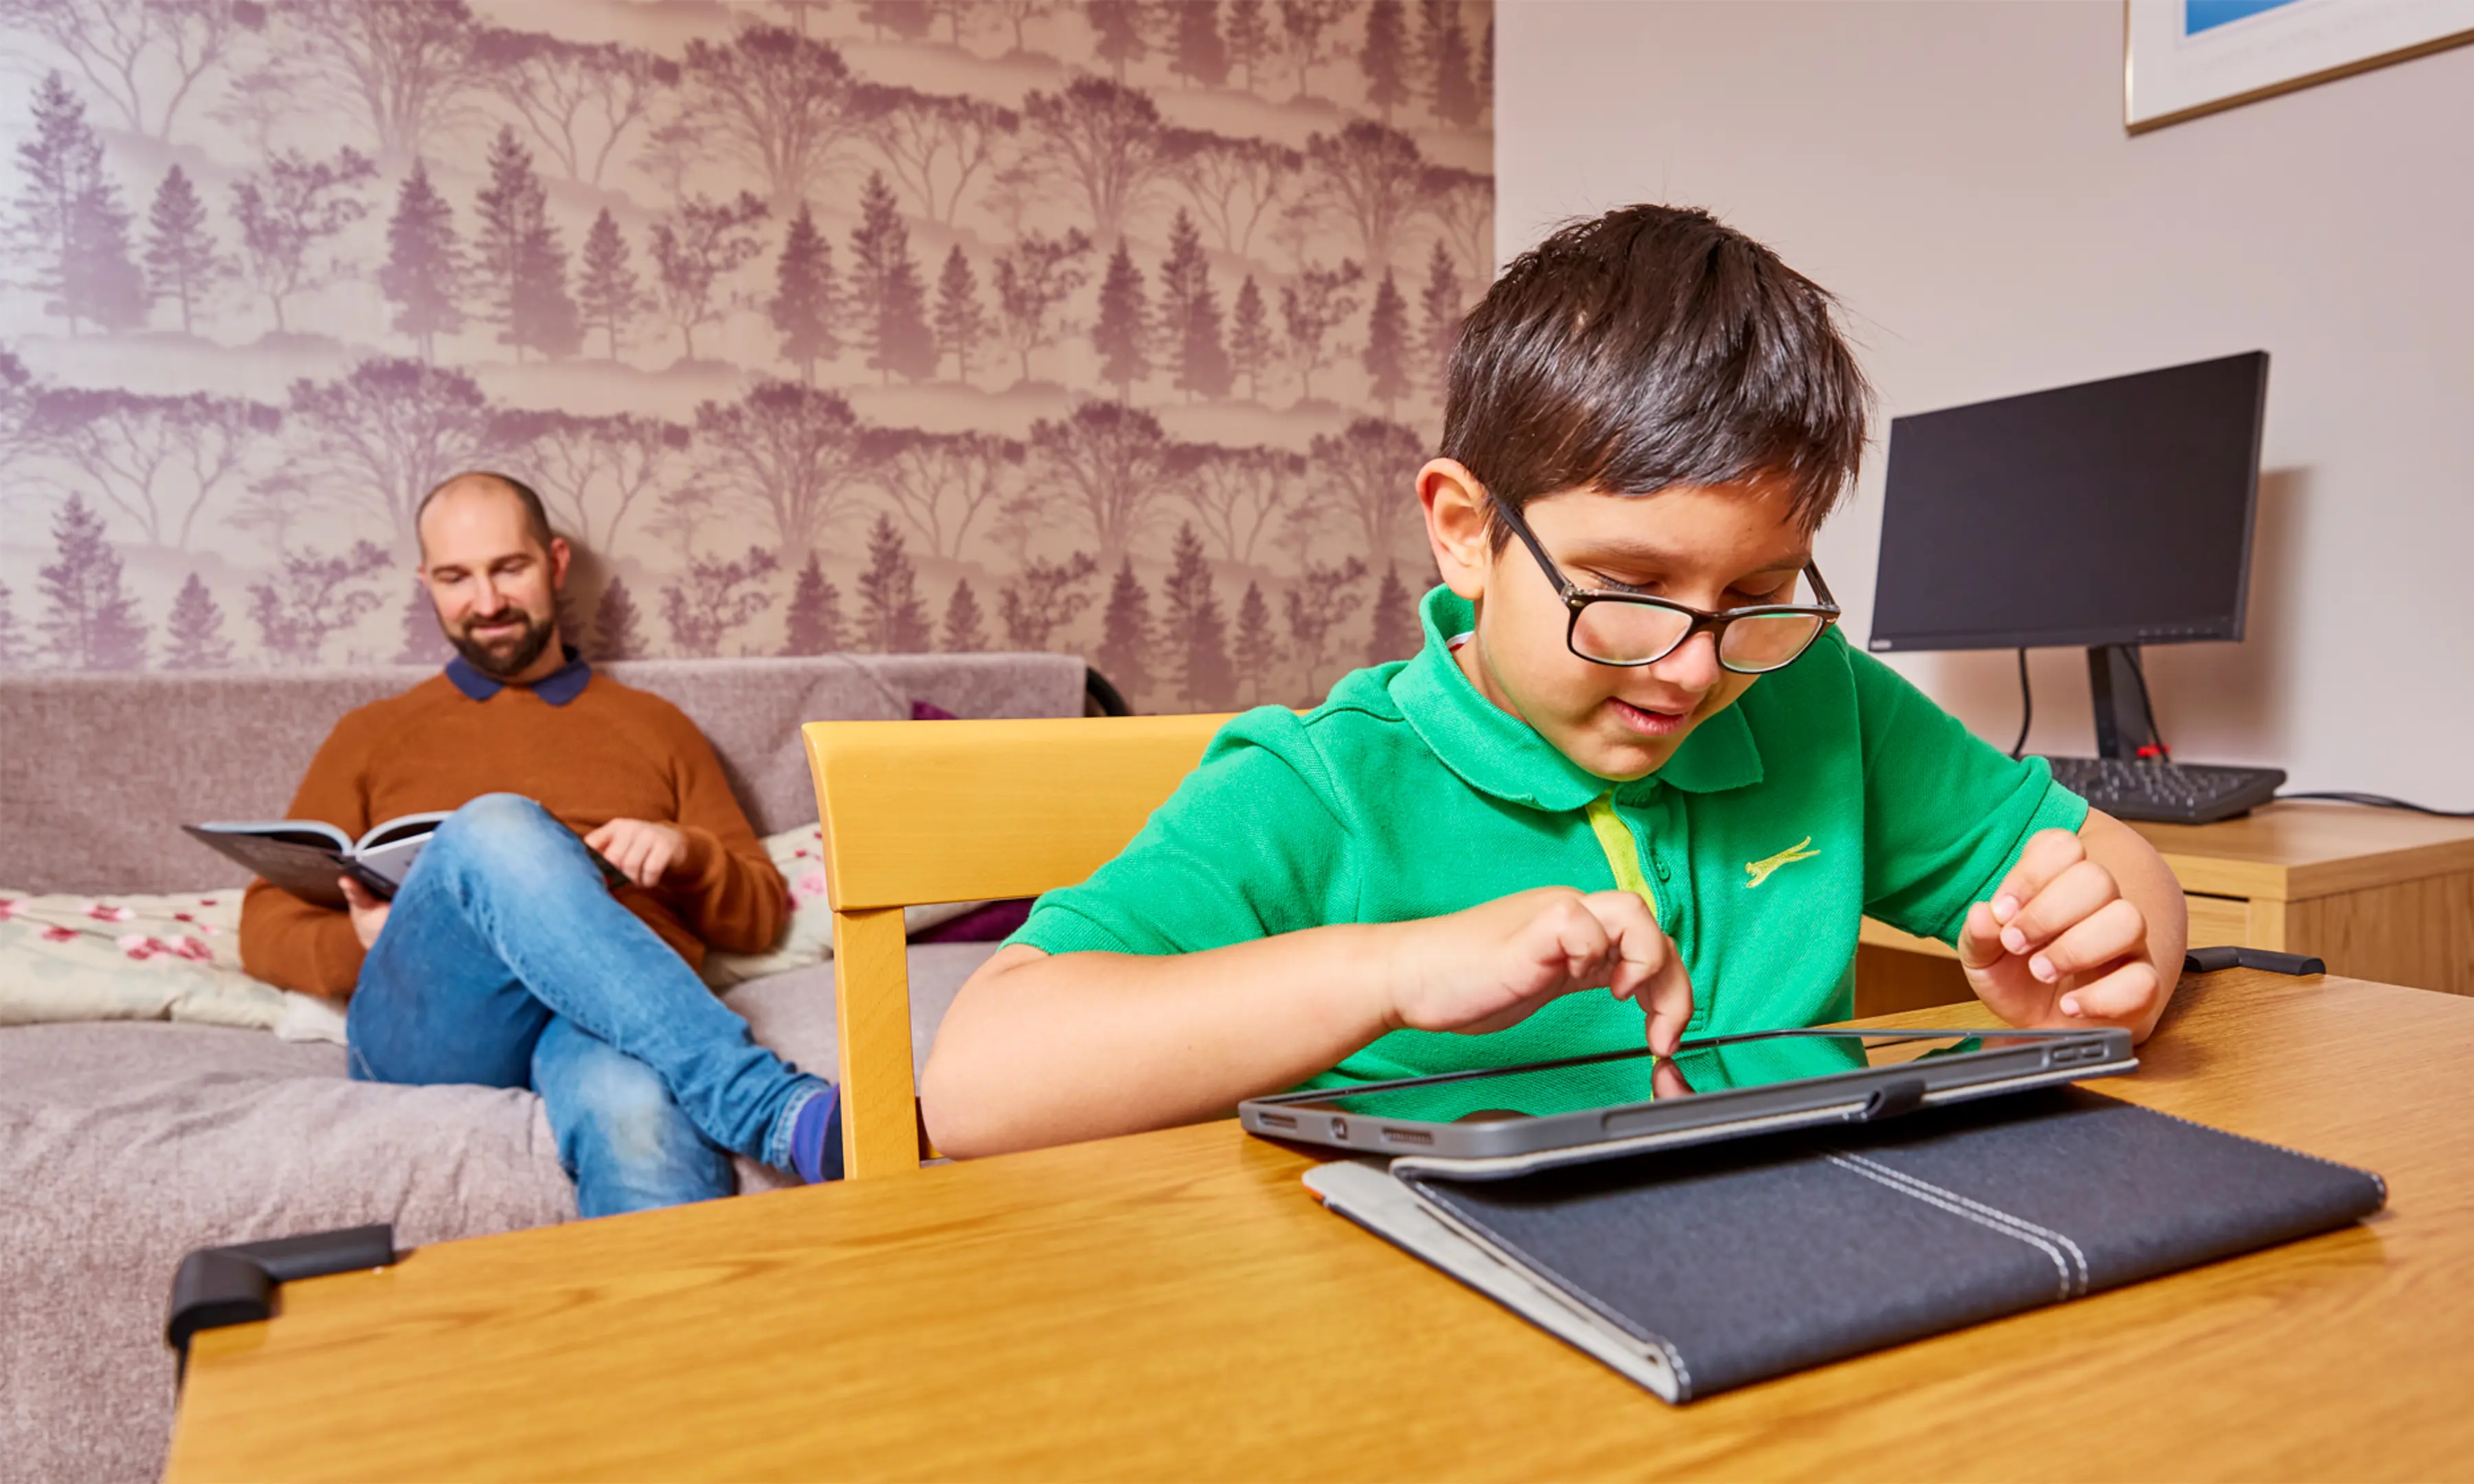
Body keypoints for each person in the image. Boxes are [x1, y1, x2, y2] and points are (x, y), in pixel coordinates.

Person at [921, 205, 2189, 1159]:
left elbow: (2122, 872)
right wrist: (1393, 969)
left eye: (1755, 596)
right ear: (1467, 529)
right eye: (1628, 594)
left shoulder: (1816, 700)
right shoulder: (1324, 785)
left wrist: (2096, 961)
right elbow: (981, 1084)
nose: (1694, 669)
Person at [239, 472, 847, 1214]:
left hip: (611, 1016)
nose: (486, 602)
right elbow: (262, 927)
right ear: (425, 582)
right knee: (497, 826)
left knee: (639, 1117)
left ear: (555, 564)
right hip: (439, 1024)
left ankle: (677, 1328)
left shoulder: (655, 726)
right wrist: (372, 939)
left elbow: (759, 914)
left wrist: (684, 853)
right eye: (456, 578)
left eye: (509, 568)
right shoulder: (370, 735)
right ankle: (765, 1104)